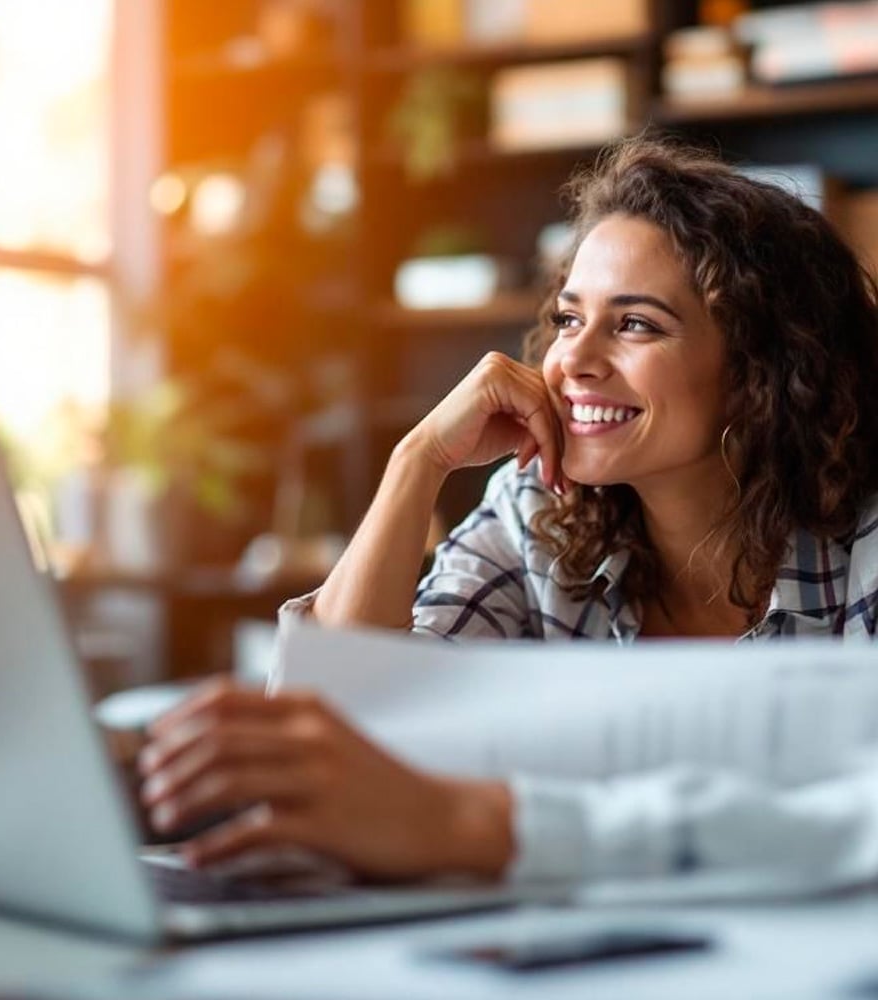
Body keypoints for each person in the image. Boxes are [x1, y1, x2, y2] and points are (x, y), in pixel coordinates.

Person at [136, 135, 878, 888]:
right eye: (567, 319)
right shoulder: (538, 513)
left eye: (635, 324)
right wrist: (416, 463)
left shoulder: (865, 544)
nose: (574, 360)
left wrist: (483, 827)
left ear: (764, 371)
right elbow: (331, 742)